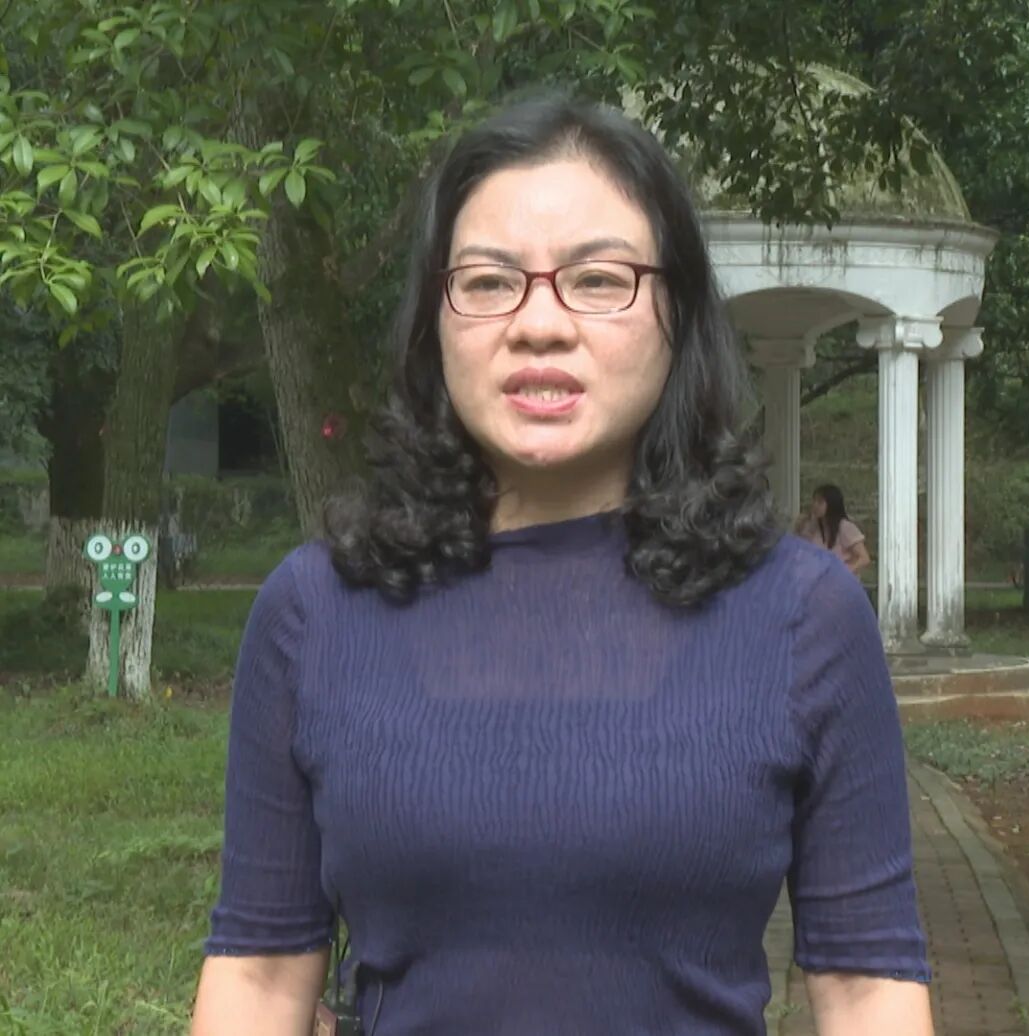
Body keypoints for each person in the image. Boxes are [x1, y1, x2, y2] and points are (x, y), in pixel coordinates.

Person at [190, 95, 933, 1036]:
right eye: (488, 281)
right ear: (433, 321)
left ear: (677, 313)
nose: (539, 324)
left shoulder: (801, 613)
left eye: (597, 279)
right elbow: (259, 976)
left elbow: (869, 988)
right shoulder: (317, 610)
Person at [797, 483, 872, 578]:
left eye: (820, 502)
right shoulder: (814, 526)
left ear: (831, 504)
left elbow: (864, 558)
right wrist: (800, 525)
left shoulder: (844, 527)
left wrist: (844, 572)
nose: (815, 505)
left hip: (840, 583)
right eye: (814, 501)